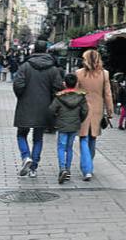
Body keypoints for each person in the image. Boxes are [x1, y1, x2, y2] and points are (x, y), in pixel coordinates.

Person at [13, 40, 64, 178]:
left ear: (34, 50)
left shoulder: (25, 66)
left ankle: (26, 157)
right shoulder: (53, 69)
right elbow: (59, 88)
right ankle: (34, 167)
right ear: (46, 51)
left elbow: (18, 85)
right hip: (45, 108)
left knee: (21, 134)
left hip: (26, 106)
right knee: (38, 138)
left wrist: (22, 96)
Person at [74, 50, 113, 181]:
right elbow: (107, 94)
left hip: (82, 109)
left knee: (83, 138)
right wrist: (110, 111)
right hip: (97, 110)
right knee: (92, 138)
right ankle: (88, 165)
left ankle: (87, 169)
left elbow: (75, 93)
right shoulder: (104, 74)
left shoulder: (79, 73)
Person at [49, 72, 88, 185]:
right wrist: (80, 119)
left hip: (62, 125)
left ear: (65, 84)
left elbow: (51, 110)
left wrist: (56, 117)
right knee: (69, 148)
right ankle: (68, 169)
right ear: (76, 84)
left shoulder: (59, 96)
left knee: (61, 147)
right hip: (74, 125)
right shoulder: (81, 96)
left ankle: (62, 169)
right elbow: (85, 110)